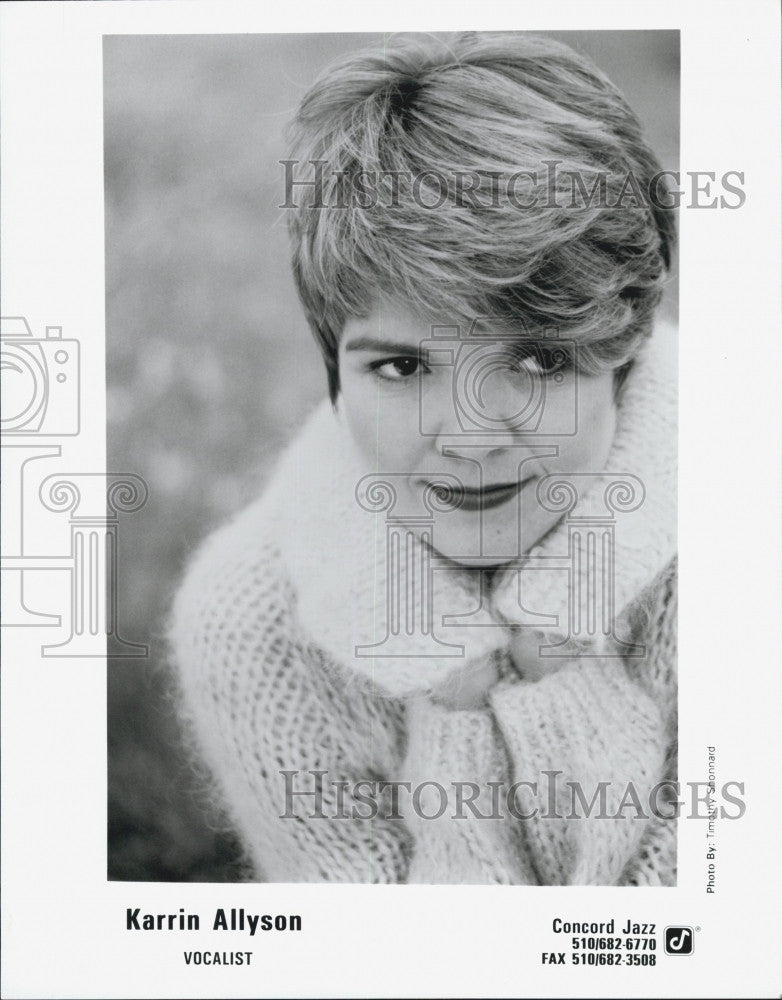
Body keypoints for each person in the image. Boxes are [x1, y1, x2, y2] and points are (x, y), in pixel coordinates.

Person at [170, 31, 678, 885]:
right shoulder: (251, 620)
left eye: (536, 360)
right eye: (402, 367)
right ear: (333, 366)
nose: (469, 435)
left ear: (622, 353)